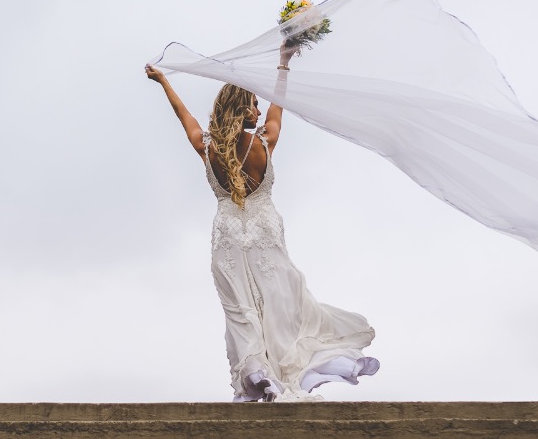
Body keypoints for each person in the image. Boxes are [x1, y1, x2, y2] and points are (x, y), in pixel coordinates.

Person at [144, 47, 379, 402]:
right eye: (253, 104)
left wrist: (163, 82)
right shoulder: (265, 143)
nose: (258, 108)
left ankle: (257, 373)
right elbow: (276, 105)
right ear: (243, 110)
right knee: (284, 308)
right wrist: (283, 64)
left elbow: (185, 117)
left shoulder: (206, 148)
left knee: (242, 311)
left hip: (227, 237)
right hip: (265, 235)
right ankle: (277, 372)